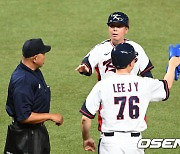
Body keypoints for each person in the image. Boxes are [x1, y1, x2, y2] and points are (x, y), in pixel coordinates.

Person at [79, 43, 180, 154]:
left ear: (113, 62)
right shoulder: (143, 83)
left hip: (109, 144)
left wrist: (86, 138)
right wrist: (172, 65)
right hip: (134, 144)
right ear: (132, 63)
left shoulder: (102, 85)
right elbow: (166, 86)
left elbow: (85, 118)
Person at [4, 38, 63, 154]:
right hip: (26, 138)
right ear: (35, 58)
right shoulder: (23, 80)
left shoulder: (33, 71)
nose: (45, 56)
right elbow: (24, 116)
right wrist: (50, 116)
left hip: (35, 133)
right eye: (43, 54)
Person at [75, 11, 154, 81]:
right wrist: (84, 69)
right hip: (108, 93)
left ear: (126, 29)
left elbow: (146, 74)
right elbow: (87, 64)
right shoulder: (100, 49)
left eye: (119, 26)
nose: (115, 29)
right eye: (112, 26)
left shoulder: (136, 48)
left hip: (130, 92)